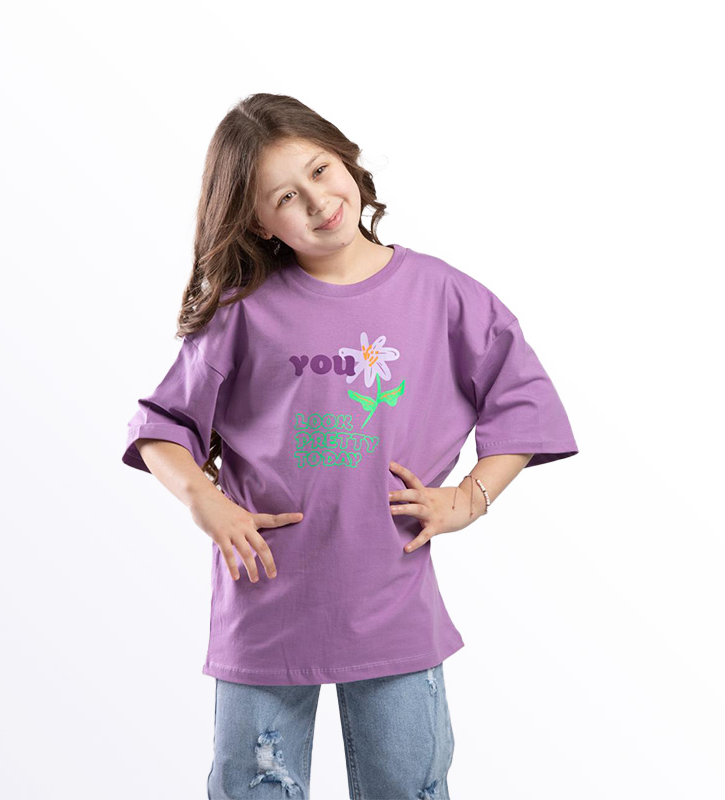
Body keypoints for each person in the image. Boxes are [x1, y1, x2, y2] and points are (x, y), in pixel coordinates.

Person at [121, 93, 578, 800]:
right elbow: (161, 428)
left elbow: (522, 399)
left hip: (393, 606)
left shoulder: (444, 295)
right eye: (285, 197)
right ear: (259, 223)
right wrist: (206, 503)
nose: (317, 201)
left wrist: (471, 498)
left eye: (320, 171)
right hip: (264, 606)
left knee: (408, 787)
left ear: (348, 161)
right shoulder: (243, 312)